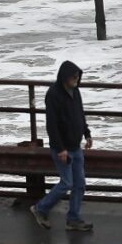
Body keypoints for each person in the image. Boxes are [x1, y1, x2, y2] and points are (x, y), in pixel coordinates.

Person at [30, 60, 94, 232]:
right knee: (66, 183)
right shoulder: (53, 94)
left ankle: (73, 219)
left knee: (79, 184)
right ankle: (40, 209)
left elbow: (80, 114)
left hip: (75, 146)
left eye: (78, 76)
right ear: (64, 77)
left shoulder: (76, 91)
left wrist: (87, 133)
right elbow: (52, 125)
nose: (76, 79)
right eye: (73, 76)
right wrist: (60, 149)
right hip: (62, 148)